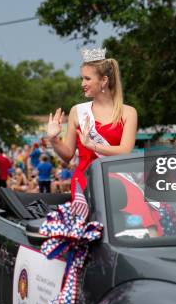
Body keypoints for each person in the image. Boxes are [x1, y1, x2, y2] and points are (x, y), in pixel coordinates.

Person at [46, 48, 138, 199]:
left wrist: (92, 145)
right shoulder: (78, 111)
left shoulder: (128, 112)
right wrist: (53, 139)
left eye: (87, 79)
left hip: (117, 181)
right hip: (86, 180)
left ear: (104, 80)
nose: (82, 83)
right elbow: (68, 155)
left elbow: (125, 151)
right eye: (82, 78)